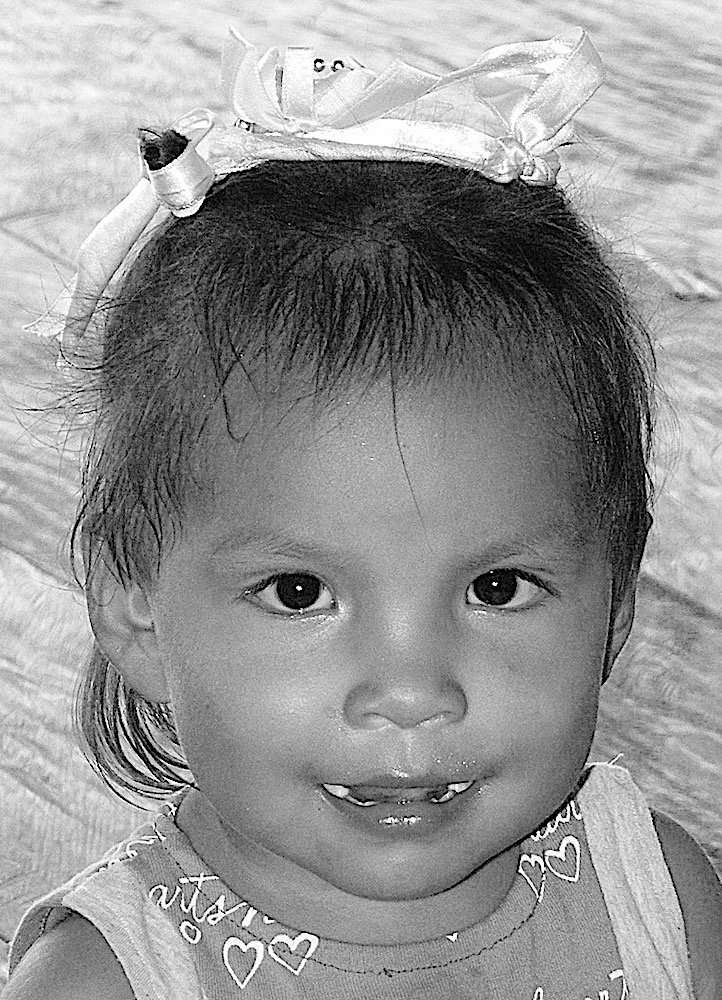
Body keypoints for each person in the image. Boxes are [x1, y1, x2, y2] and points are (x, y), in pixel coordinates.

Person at [4, 27, 721, 1000]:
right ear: (134, 608)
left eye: (496, 587)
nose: (411, 691)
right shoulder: (108, 984)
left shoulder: (658, 899)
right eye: (299, 592)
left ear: (617, 605)